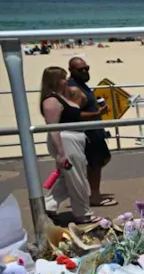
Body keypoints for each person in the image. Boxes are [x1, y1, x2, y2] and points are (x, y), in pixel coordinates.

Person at [39, 67, 98, 224]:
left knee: (68, 178)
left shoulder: (61, 96)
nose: (66, 81)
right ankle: (83, 213)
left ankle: (47, 205)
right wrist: (60, 153)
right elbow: (53, 128)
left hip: (74, 139)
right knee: (77, 178)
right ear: (53, 80)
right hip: (66, 141)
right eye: (62, 78)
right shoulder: (51, 100)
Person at [68, 57, 115, 207]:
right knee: (95, 163)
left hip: (94, 131)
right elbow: (75, 114)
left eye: (86, 68)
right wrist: (96, 113)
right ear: (71, 71)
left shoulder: (82, 85)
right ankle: (94, 196)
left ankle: (91, 192)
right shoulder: (74, 89)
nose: (85, 71)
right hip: (89, 134)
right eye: (80, 69)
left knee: (102, 160)